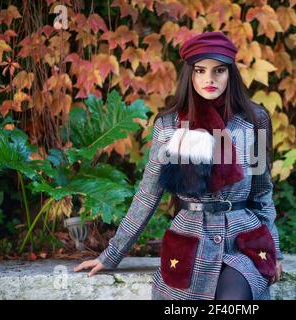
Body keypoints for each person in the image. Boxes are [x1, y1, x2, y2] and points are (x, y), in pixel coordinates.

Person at [74, 31, 283, 300]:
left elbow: (262, 194)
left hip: (243, 242)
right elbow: (148, 195)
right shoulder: (170, 126)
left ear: (231, 73)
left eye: (219, 70)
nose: (210, 79)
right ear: (190, 74)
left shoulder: (254, 121)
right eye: (200, 70)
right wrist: (113, 253)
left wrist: (274, 252)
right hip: (192, 241)